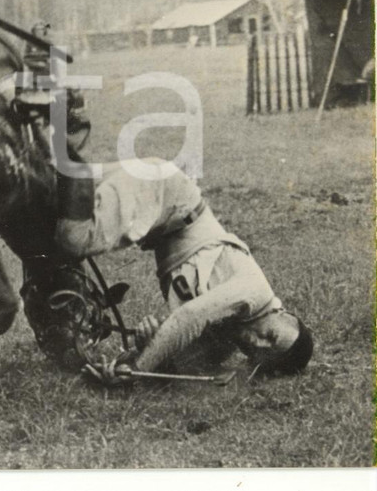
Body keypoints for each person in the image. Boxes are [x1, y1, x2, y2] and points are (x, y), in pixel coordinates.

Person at [47, 158, 313, 384]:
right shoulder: (255, 291)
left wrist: (135, 353)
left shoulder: (222, 343)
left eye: (261, 355)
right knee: (73, 237)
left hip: (159, 207)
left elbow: (172, 365)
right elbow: (188, 317)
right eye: (271, 336)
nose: (258, 343)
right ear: (282, 313)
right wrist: (140, 369)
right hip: (162, 191)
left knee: (44, 192)